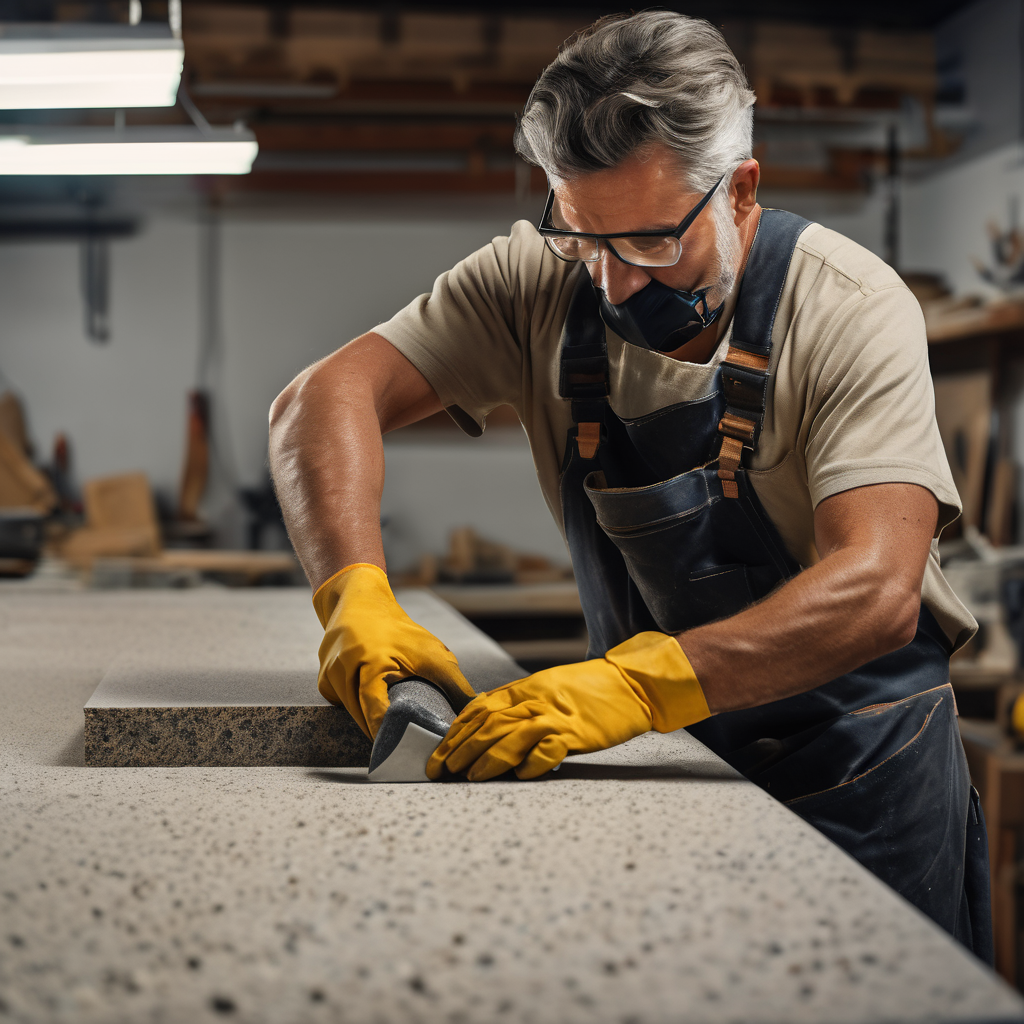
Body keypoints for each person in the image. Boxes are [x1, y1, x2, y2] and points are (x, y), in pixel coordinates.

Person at [268, 11, 991, 960]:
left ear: (740, 192)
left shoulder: (850, 308)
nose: (610, 285)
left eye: (651, 243)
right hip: (665, 767)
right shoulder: (534, 281)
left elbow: (879, 591)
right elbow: (321, 398)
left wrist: (637, 686)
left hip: (861, 775)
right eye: (581, 238)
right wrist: (354, 596)